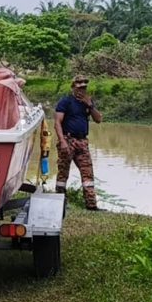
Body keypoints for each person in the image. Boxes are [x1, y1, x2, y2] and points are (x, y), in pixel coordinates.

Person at [54, 75, 103, 210]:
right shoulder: (66, 101)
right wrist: (62, 141)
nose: (82, 88)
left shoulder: (88, 102)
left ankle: (91, 205)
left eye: (84, 86)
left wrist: (90, 105)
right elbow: (57, 122)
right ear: (73, 87)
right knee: (63, 172)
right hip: (68, 140)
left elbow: (99, 119)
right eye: (79, 86)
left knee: (88, 172)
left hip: (82, 141)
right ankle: (60, 202)